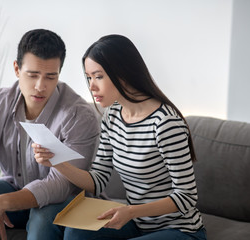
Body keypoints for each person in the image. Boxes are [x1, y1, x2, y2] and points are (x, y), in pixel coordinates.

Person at [33, 34, 207, 240]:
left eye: (98, 76)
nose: (92, 86)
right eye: (89, 78)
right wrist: (57, 162)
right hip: (137, 224)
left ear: (122, 73)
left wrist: (131, 211)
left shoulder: (165, 124)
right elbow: (97, 181)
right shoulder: (112, 116)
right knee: (76, 233)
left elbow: (186, 196)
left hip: (178, 230)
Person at [0, 29, 100, 240]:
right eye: (32, 75)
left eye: (50, 77)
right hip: (15, 189)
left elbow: (62, 185)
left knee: (43, 219)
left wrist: (0, 203)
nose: (40, 86)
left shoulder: (79, 115)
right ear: (17, 69)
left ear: (59, 74)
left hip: (62, 200)